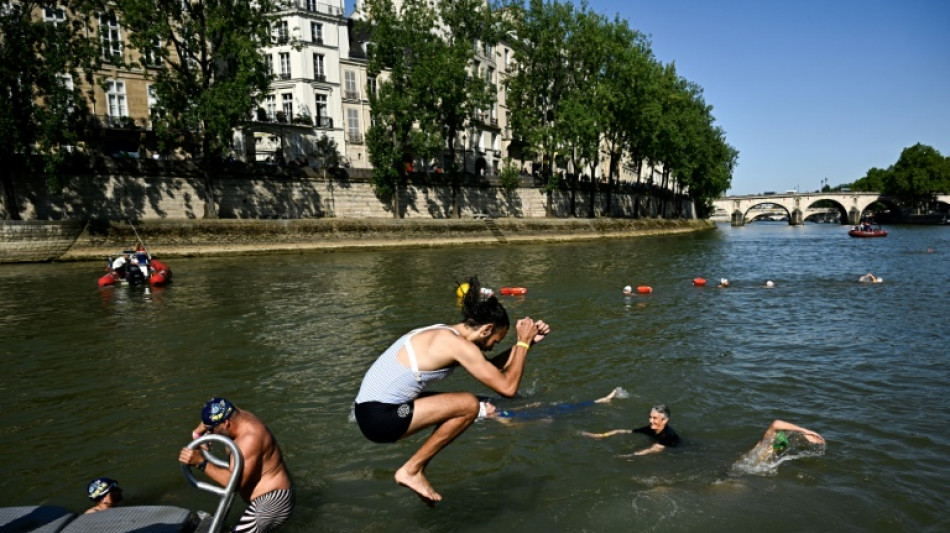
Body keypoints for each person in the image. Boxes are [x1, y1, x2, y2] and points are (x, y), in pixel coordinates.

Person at [353, 276, 550, 503]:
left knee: (479, 403)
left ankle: (414, 471)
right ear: (486, 329)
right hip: (380, 418)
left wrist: (527, 343)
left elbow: (490, 369)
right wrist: (522, 343)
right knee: (469, 404)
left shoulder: (446, 334)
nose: (495, 346)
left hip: (373, 410)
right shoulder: (456, 345)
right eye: (496, 341)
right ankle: (411, 470)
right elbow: (507, 387)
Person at [179, 397, 294, 532]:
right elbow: (211, 413)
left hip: (274, 501)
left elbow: (234, 484)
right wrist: (198, 434)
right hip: (263, 497)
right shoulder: (232, 412)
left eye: (212, 429)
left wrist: (201, 462)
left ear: (226, 423)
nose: (210, 433)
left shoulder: (249, 441)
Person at [482, 387, 622, 424]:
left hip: (537, 412)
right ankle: (601, 402)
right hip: (537, 417)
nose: (489, 403)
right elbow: (516, 425)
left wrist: (531, 404)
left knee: (567, 406)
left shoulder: (500, 411)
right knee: (569, 411)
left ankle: (600, 401)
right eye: (486, 405)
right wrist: (539, 422)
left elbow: (515, 410)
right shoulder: (498, 418)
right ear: (486, 412)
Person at [581, 404, 679, 455]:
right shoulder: (650, 429)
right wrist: (601, 435)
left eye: (654, 418)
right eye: (650, 417)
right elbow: (626, 431)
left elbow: (654, 449)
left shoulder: (668, 435)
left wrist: (630, 455)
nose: (650, 420)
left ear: (665, 420)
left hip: (678, 451)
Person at [743, 419, 825, 463]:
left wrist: (804, 436)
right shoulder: (764, 446)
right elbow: (776, 423)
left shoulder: (775, 445)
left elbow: (783, 438)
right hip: (752, 464)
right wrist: (805, 431)